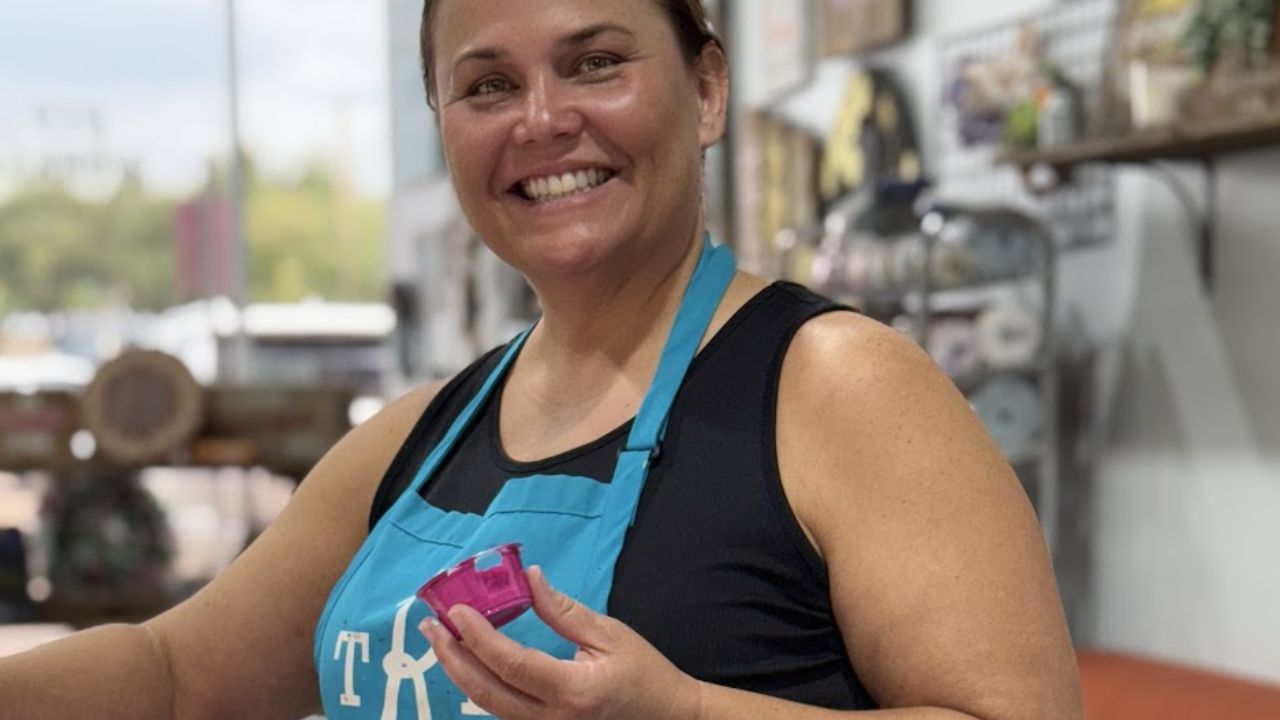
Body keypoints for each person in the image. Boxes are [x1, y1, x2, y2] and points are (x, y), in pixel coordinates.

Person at [0, 1, 1082, 718]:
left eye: (594, 63)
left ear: (705, 89)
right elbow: (173, 674)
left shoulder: (835, 385)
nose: (542, 121)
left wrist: (687, 713)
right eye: (485, 87)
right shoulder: (421, 436)